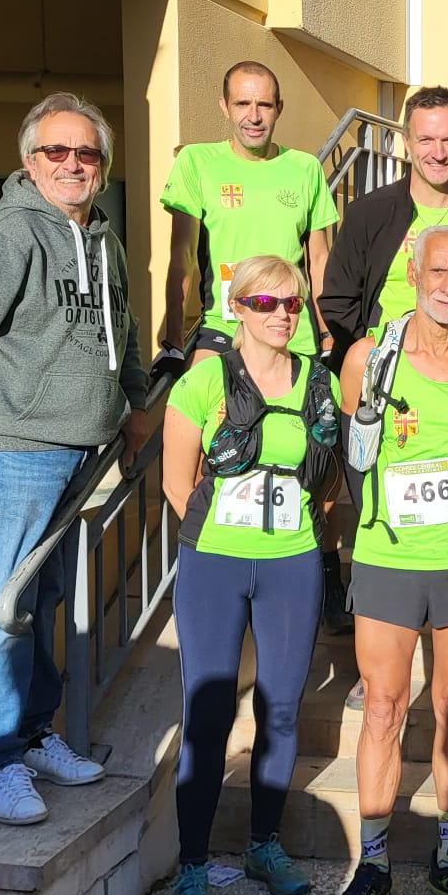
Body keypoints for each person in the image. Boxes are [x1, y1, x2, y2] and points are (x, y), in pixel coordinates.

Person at [0, 96, 148, 825]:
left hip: (82, 454)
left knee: (43, 604)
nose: (73, 165)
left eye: (86, 154)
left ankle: (33, 733)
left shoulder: (106, 243)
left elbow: (127, 334)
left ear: (102, 165)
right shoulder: (8, 237)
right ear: (29, 162)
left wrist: (136, 402)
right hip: (17, 449)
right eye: (57, 152)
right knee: (4, 607)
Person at [326, 225, 448, 895]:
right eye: (437, 270)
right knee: (382, 706)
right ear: (412, 271)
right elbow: (351, 455)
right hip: (388, 557)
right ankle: (371, 864)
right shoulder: (366, 361)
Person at [161, 255, 341, 895]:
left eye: (292, 303)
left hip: (291, 562)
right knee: (207, 717)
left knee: (283, 709)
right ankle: (191, 868)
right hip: (214, 563)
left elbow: (323, 478)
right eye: (266, 303)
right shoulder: (203, 380)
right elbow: (178, 483)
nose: (283, 315)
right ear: (237, 309)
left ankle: (265, 844)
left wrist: (294, 532)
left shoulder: (318, 383)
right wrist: (216, 546)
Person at [158, 62, 345, 624]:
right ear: (224, 107)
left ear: (279, 109)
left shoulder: (305, 169)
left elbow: (319, 263)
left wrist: (327, 326)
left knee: (315, 455)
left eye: (264, 104)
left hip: (296, 332)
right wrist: (173, 336)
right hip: (224, 327)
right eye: (243, 104)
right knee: (217, 444)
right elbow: (181, 259)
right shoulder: (196, 163)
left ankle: (322, 564)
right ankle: (213, 555)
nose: (254, 115)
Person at [319, 85, 448, 363]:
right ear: (407, 142)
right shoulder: (368, 213)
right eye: (425, 140)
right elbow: (338, 300)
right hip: (387, 369)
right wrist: (371, 352)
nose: (438, 153)